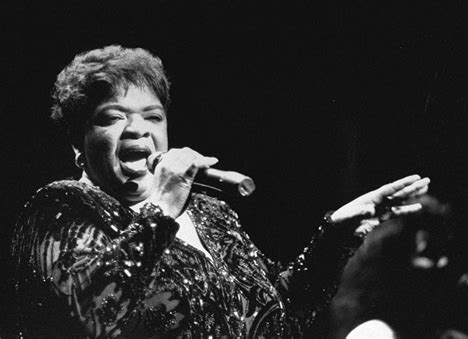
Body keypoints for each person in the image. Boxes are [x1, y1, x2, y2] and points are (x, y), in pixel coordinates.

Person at [11, 45, 430, 338]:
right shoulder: (59, 208)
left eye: (152, 116)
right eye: (112, 117)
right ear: (77, 144)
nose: (138, 128)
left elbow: (278, 316)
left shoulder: (211, 213)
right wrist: (162, 208)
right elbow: (92, 315)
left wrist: (336, 232)